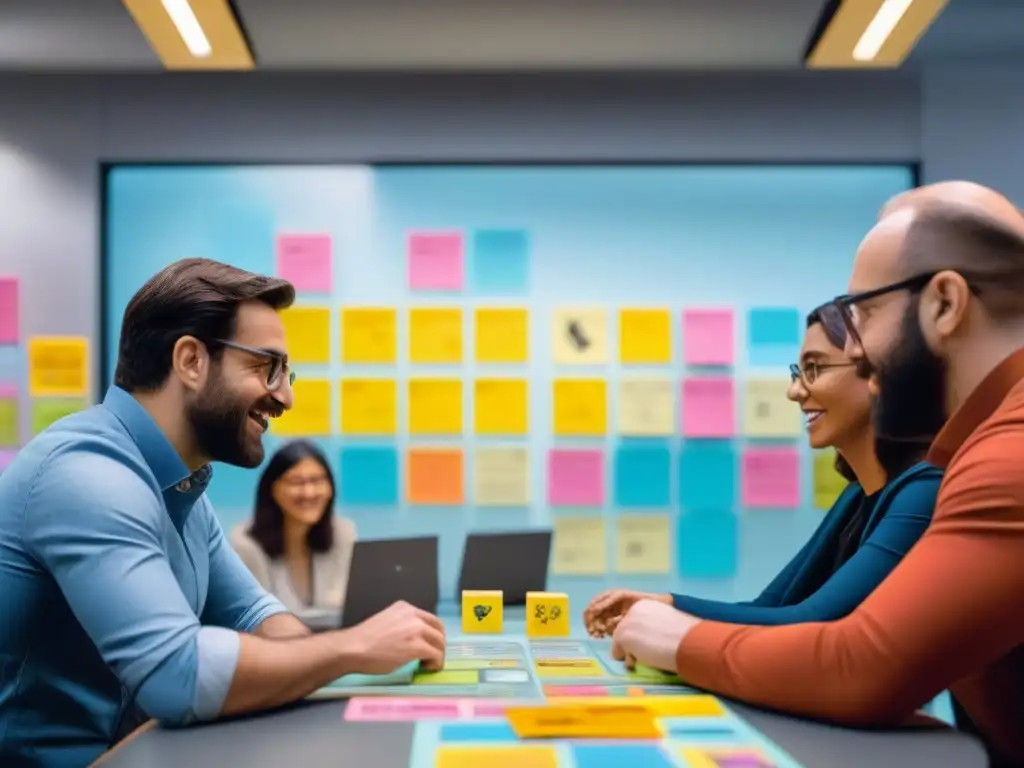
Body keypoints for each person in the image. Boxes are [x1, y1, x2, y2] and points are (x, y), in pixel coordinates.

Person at [608, 183, 1024, 767]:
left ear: (945, 303)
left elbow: (865, 665)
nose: (864, 358)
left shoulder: (1008, 456)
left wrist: (676, 638)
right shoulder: (978, 447)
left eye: (867, 313)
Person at [0, 258, 445, 766]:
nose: (285, 396)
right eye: (266, 366)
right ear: (191, 360)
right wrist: (353, 648)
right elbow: (177, 674)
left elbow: (256, 617)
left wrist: (335, 654)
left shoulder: (183, 489)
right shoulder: (87, 476)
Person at [584, 303, 940, 636]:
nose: (794, 391)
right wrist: (662, 605)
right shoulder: (857, 495)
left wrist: (668, 610)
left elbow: (811, 621)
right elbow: (770, 607)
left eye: (814, 368)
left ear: (875, 373)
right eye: (798, 372)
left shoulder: (921, 492)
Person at [231, 440, 357, 618]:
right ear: (272, 488)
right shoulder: (246, 545)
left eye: (317, 480)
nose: (309, 492)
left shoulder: (343, 534)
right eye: (297, 482)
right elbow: (258, 620)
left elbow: (345, 608)